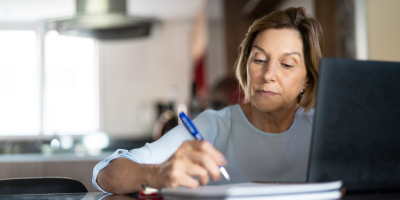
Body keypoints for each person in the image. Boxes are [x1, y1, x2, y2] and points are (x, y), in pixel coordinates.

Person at [92, 7, 323, 194]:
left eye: (287, 64)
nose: (268, 74)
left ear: (307, 80)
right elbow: (104, 173)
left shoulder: (322, 131)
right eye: (259, 59)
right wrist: (156, 174)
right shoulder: (213, 126)